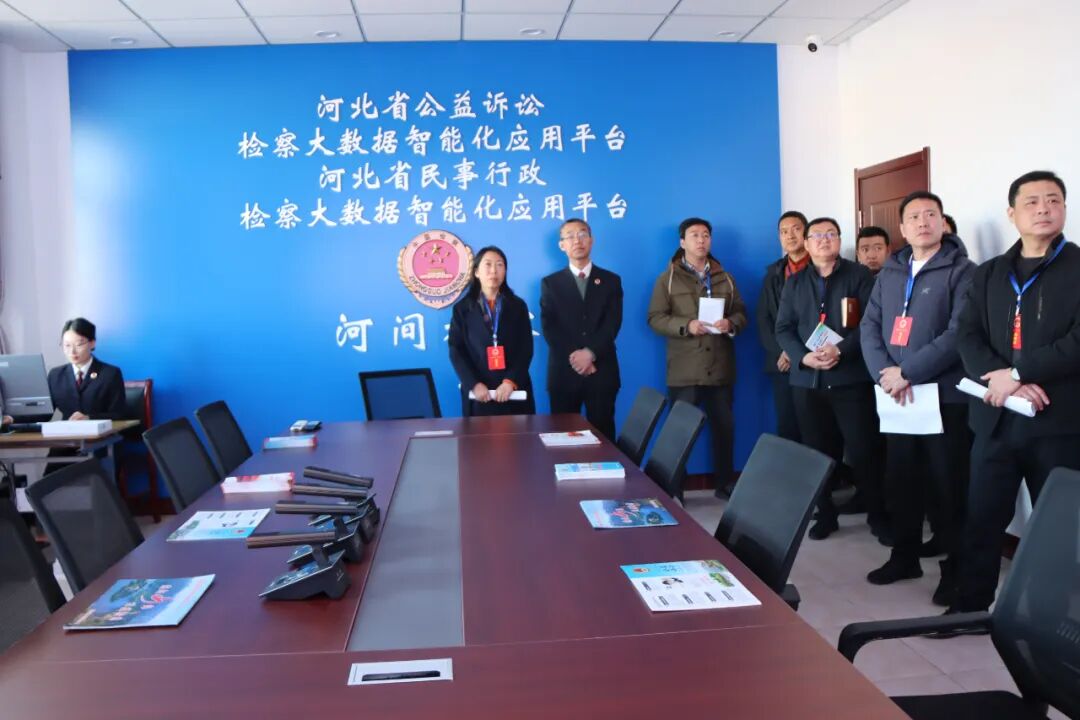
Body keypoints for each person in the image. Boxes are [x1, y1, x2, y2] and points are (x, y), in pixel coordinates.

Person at [953, 170, 1080, 614]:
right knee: (983, 516)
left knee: (1058, 525)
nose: (1044, 208)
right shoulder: (990, 272)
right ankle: (970, 608)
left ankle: (1048, 614)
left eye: (1053, 200)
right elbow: (966, 333)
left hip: (1059, 422)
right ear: (1012, 213)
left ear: (1064, 208)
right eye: (1032, 201)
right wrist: (1001, 377)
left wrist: (1019, 372)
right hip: (996, 417)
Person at [860, 191, 975, 606]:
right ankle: (904, 557)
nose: (923, 222)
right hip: (898, 398)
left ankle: (956, 570)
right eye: (914, 217)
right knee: (901, 481)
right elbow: (870, 326)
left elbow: (959, 333)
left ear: (943, 222)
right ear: (903, 228)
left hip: (943, 398)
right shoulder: (891, 271)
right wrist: (885, 375)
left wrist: (907, 372)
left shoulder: (964, 271)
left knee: (949, 487)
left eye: (931, 215)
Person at [775, 217, 879, 539]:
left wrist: (841, 350)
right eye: (817, 235)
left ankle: (879, 515)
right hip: (808, 382)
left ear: (839, 240)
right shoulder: (795, 282)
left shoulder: (859, 275)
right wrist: (802, 357)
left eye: (830, 234)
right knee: (818, 453)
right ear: (807, 244)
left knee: (865, 450)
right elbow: (783, 328)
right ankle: (825, 514)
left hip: (850, 380)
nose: (823, 240)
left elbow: (870, 323)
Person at [647, 217, 747, 498]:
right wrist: (686, 325)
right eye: (694, 235)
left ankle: (724, 484)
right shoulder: (667, 279)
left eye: (705, 235)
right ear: (682, 242)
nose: (701, 240)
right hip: (685, 369)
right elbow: (655, 318)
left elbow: (741, 312)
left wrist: (731, 323)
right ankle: (675, 487)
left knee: (724, 429)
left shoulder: (725, 277)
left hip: (720, 366)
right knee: (679, 431)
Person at [540, 218, 623, 441]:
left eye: (582, 234)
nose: (577, 240)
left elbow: (612, 323)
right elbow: (550, 327)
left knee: (603, 437)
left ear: (591, 240)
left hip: (601, 370)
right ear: (562, 245)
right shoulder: (550, 283)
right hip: (564, 373)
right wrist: (577, 358)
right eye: (570, 236)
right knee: (563, 437)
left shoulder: (611, 281)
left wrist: (591, 353)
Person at [449, 246, 536, 417]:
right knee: (479, 435)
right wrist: (474, 384)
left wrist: (510, 381)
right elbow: (456, 350)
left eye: (499, 265)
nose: (493, 271)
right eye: (487, 264)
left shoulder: (518, 306)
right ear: (476, 272)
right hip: (480, 393)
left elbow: (525, 348)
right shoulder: (462, 309)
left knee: (519, 434)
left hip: (514, 391)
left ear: (505, 271)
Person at [756, 210, 808, 443]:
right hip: (781, 363)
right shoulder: (773, 273)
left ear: (806, 232)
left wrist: (796, 351)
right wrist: (783, 351)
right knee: (787, 425)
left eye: (795, 229)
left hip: (812, 359)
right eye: (784, 231)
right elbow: (764, 318)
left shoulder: (820, 268)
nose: (790, 235)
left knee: (815, 426)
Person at [47, 317, 126, 421]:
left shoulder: (110, 374)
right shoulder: (55, 375)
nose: (72, 351)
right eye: (67, 345)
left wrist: (89, 418)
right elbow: (45, 413)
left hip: (102, 430)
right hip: (67, 431)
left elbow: (119, 414)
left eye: (79, 344)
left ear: (92, 343)